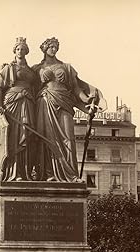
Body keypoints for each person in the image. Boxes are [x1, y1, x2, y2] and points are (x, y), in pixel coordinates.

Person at [32, 37, 106, 182]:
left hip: (64, 102)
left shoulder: (67, 67)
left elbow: (76, 88)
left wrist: (87, 100)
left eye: (55, 47)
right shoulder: (36, 69)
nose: (54, 49)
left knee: (68, 138)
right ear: (45, 49)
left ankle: (70, 175)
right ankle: (48, 174)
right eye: (51, 47)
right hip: (45, 103)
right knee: (46, 138)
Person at [0, 37, 36, 181]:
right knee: (14, 138)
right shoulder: (8, 68)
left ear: (26, 51)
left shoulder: (31, 70)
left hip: (28, 104)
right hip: (13, 105)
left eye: (23, 49)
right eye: (18, 49)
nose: (20, 51)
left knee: (27, 136)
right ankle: (14, 173)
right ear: (14, 51)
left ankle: (25, 172)